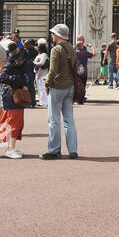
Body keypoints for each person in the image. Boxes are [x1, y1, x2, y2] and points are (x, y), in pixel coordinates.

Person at [0, 41, 33, 159]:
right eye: (22, 59)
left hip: (16, 95)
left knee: (15, 123)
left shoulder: (19, 65)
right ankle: (10, 148)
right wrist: (19, 80)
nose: (23, 62)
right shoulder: (9, 64)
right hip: (11, 95)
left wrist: (23, 81)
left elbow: (24, 77)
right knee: (15, 123)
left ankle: (10, 147)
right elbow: (2, 78)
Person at [42, 24, 78, 159]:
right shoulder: (72, 49)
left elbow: (53, 71)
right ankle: (73, 149)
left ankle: (54, 150)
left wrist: (47, 84)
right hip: (70, 87)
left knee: (54, 119)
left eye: (53, 34)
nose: (52, 36)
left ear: (58, 35)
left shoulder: (56, 50)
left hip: (58, 87)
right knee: (69, 120)